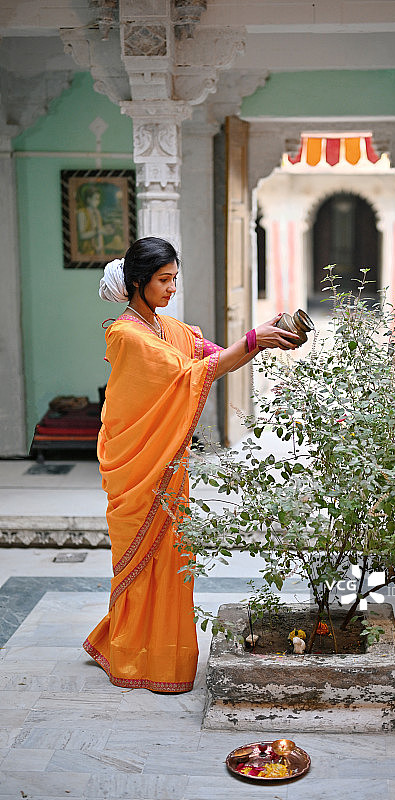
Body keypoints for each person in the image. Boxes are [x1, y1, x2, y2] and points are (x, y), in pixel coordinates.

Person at [84, 236, 299, 692]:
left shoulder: (167, 326)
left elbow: (213, 357)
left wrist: (264, 339)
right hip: (136, 466)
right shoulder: (127, 334)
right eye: (164, 280)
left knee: (171, 559)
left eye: (174, 279)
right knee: (141, 560)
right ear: (138, 282)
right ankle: (132, 655)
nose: (172, 288)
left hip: (165, 465)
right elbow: (194, 374)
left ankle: (157, 653)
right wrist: (252, 341)